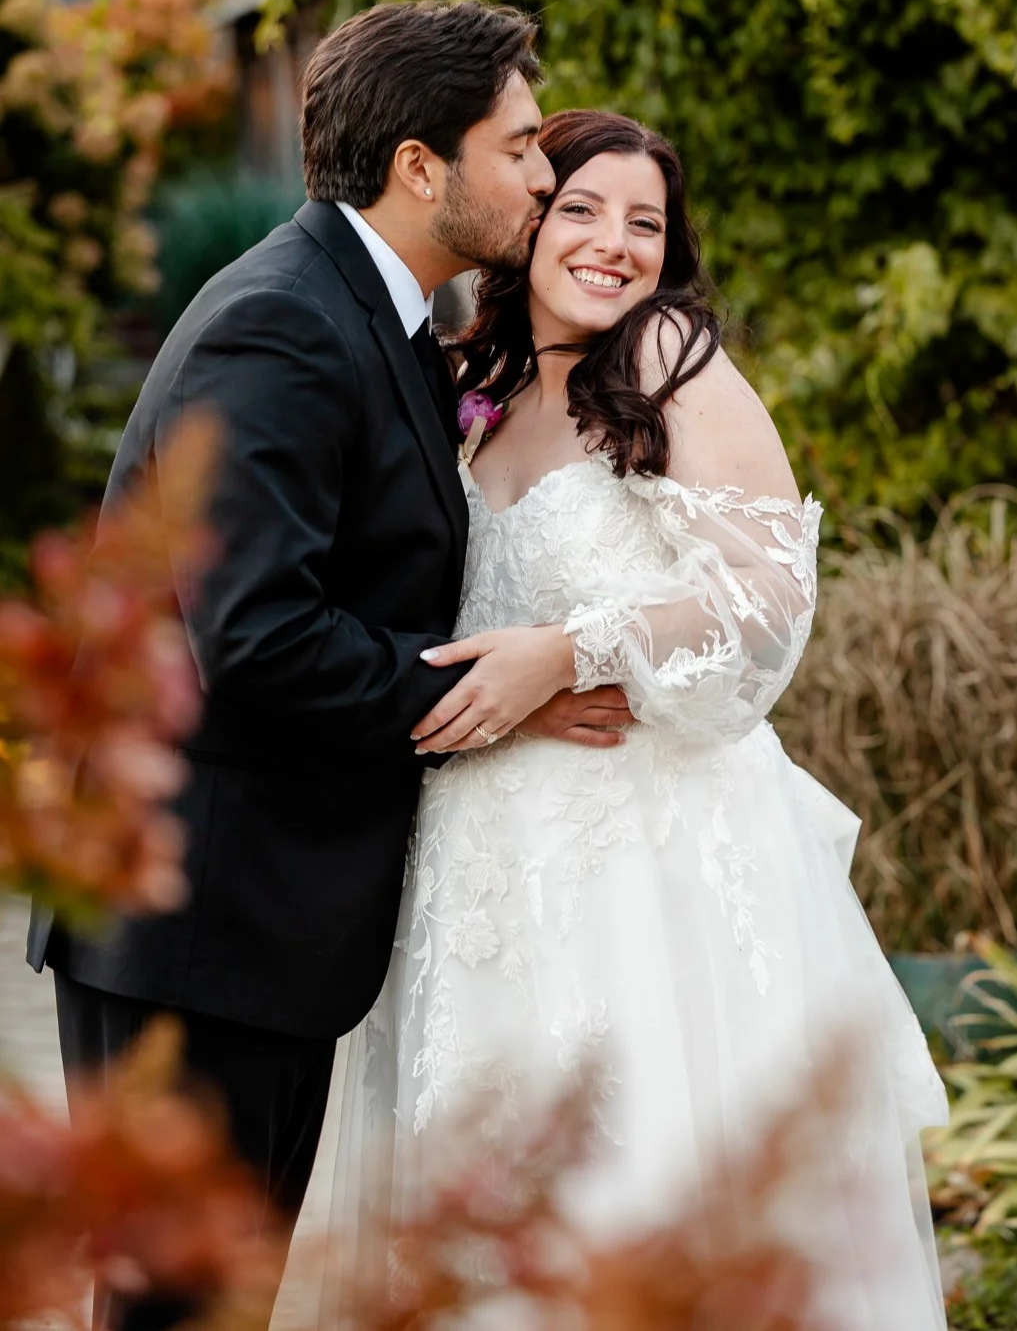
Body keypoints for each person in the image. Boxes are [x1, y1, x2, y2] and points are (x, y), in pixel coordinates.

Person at [26, 2, 630, 1331]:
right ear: (423, 165)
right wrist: (495, 704)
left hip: (253, 934)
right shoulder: (285, 326)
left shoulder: (382, 317)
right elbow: (253, 636)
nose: (545, 174)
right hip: (194, 929)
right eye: (521, 146)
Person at [331, 110, 949, 1329]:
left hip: (648, 851)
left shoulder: (667, 357)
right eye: (582, 208)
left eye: (647, 222)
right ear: (530, 220)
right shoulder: (467, 379)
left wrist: (579, 646)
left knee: (648, 1171)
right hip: (482, 856)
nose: (616, 243)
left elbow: (771, 597)